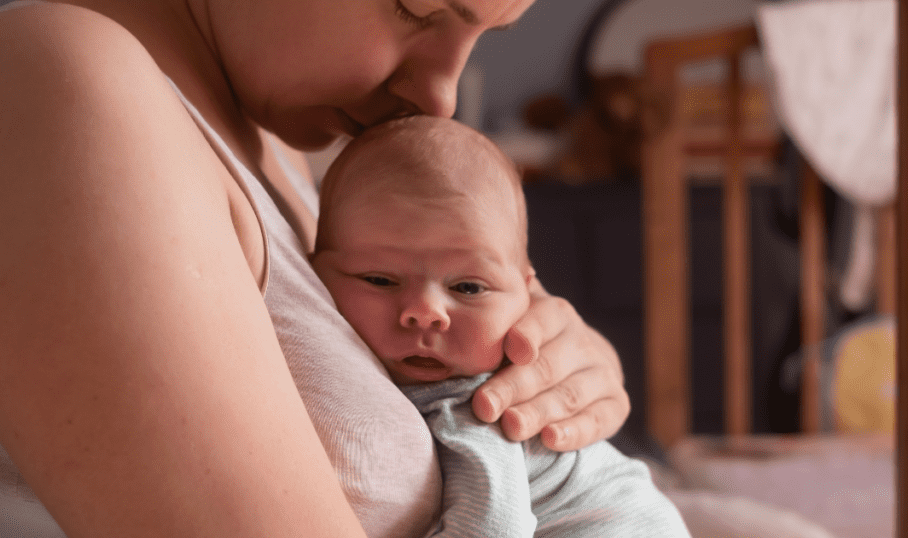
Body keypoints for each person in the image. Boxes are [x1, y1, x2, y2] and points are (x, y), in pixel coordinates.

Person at [0, 0, 634, 536]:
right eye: (416, 9)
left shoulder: (275, 150)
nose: (441, 96)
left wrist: (558, 371)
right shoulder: (60, 82)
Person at [310, 115, 690, 537]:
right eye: (379, 279)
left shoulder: (476, 408)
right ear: (312, 273)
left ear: (526, 297)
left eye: (469, 287)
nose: (425, 311)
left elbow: (492, 528)